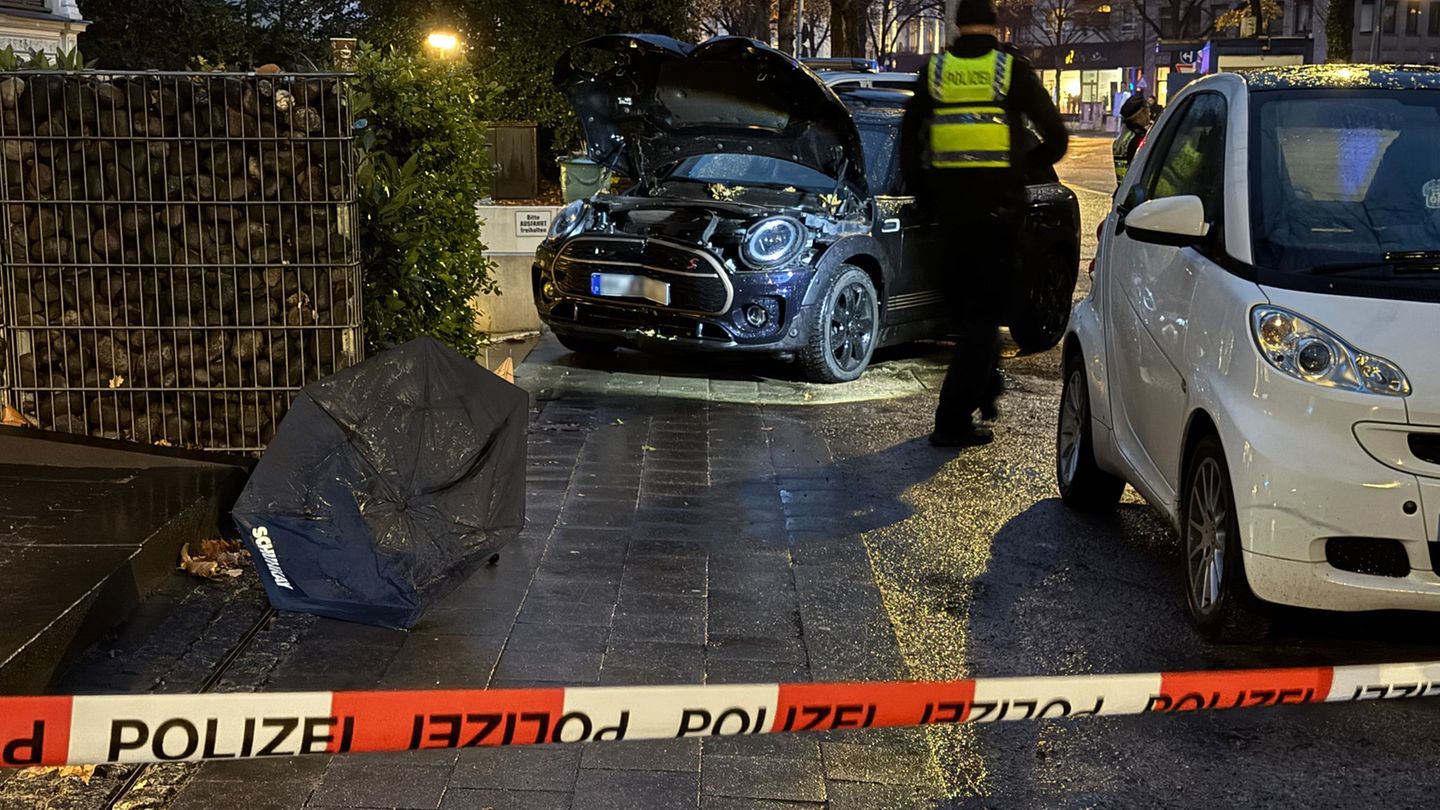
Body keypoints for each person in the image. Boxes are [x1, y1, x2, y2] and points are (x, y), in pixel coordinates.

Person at [900, 0, 1069, 448]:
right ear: (996, 28)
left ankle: (984, 387)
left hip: (950, 220)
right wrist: (1019, 168)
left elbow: (908, 142)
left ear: (957, 26)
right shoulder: (1009, 72)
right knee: (982, 318)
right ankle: (952, 419)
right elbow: (1056, 138)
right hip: (997, 218)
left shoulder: (935, 72)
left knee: (969, 316)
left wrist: (926, 195)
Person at [1113, 94, 1151, 188]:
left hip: (1123, 191)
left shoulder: (1121, 138)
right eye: (1148, 110)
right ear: (1141, 114)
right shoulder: (1139, 138)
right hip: (1137, 191)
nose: (1150, 113)